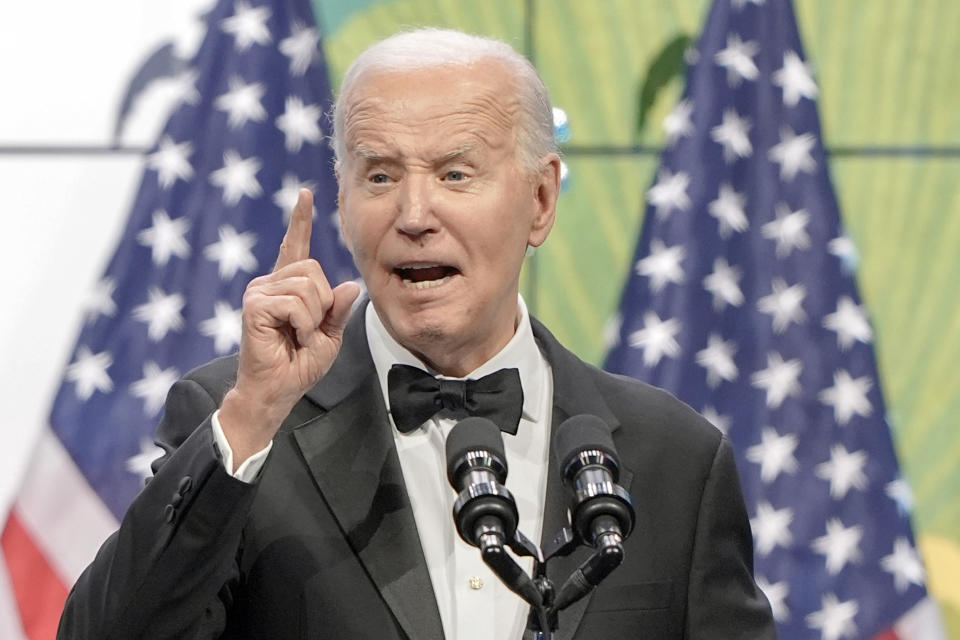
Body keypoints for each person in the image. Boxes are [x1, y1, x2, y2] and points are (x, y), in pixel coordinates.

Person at [59, 28, 775, 639]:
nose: (413, 213)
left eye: (455, 173)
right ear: (342, 202)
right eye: (378, 176)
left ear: (540, 199)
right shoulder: (241, 425)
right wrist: (252, 416)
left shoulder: (677, 461)